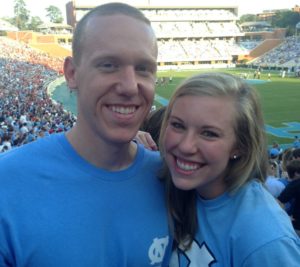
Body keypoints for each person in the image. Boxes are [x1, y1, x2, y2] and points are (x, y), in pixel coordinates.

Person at [0, 3, 171, 267]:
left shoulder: (171, 181)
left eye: (143, 69)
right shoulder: (7, 184)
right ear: (71, 73)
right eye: (108, 65)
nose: (129, 86)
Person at [157, 72, 300, 266]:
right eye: (177, 125)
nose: (185, 146)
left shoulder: (265, 240)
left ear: (240, 146)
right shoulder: (183, 186)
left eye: (209, 133)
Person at [278, 160, 300, 236]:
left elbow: (279, 201)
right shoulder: (294, 185)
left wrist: (285, 217)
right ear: (296, 173)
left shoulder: (294, 185)